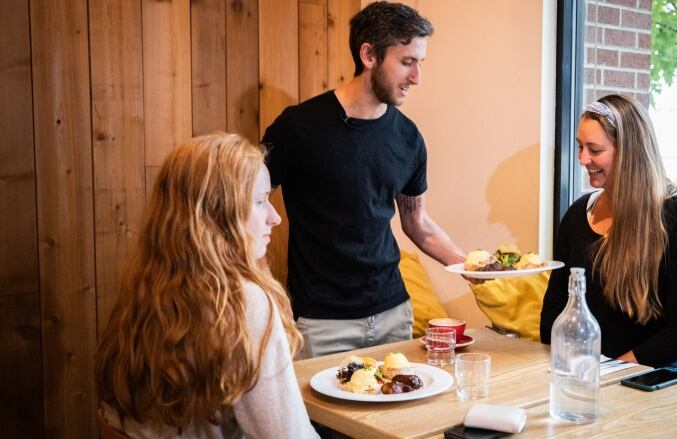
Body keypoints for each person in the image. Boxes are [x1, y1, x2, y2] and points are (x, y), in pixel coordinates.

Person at [261, 1, 464, 358]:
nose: (417, 77)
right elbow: (244, 207)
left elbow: (418, 224)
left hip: (394, 313)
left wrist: (476, 268)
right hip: (321, 323)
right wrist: (269, 295)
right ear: (369, 54)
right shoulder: (298, 127)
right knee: (320, 418)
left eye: (420, 63)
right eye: (407, 62)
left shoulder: (408, 137)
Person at [94, 133, 319, 437]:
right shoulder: (245, 300)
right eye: (260, 201)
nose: (275, 217)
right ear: (217, 214)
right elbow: (289, 434)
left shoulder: (145, 289)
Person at [540, 94, 677, 382]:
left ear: (629, 151)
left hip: (669, 366)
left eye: (594, 150)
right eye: (580, 147)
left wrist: (608, 371)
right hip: (594, 367)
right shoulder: (576, 215)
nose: (583, 159)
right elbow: (555, 306)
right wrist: (570, 364)